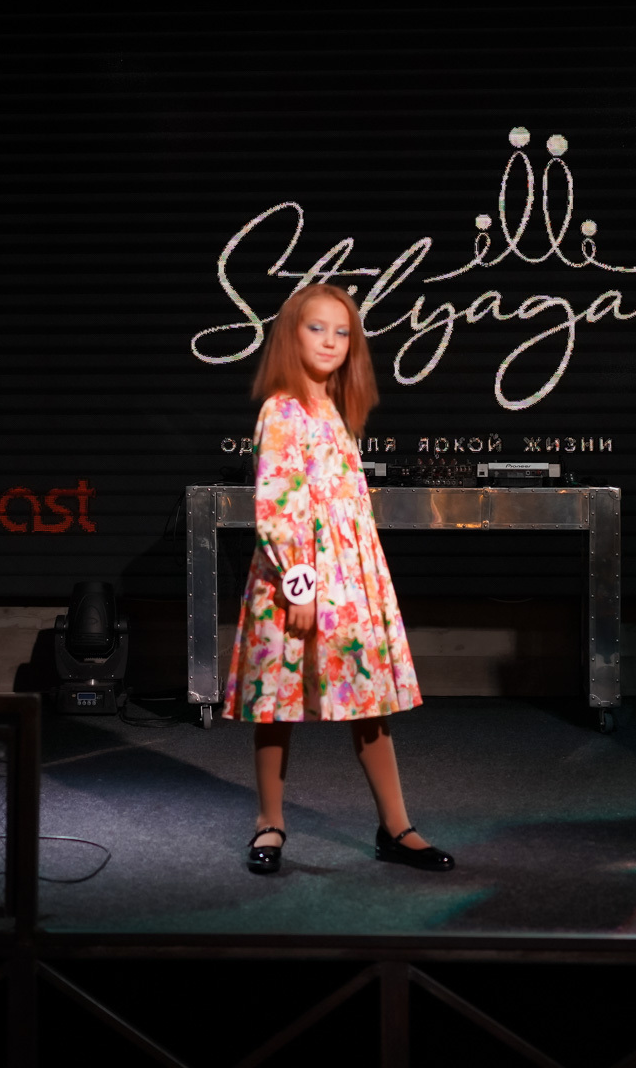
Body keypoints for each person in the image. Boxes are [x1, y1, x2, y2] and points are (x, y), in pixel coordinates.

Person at [221, 282, 454, 874]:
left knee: (368, 702)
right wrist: (299, 583)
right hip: (297, 579)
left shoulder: (339, 411)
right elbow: (279, 504)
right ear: (291, 335)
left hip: (349, 580)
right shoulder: (282, 409)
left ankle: (396, 828)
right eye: (316, 328)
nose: (330, 341)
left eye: (342, 331)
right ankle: (269, 823)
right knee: (276, 704)